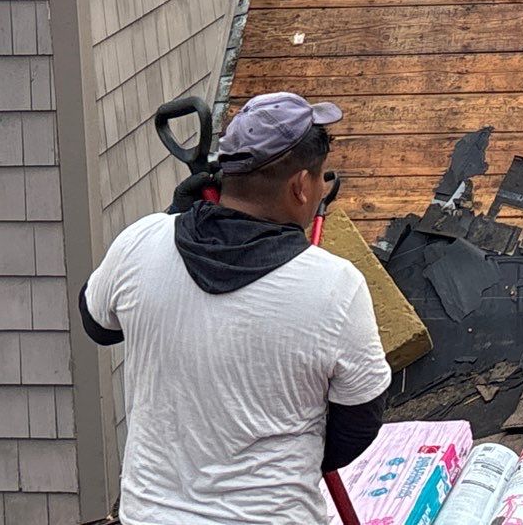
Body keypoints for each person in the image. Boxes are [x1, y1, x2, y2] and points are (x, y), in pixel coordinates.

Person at [79, 92, 390, 525]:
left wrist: (175, 217)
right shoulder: (335, 287)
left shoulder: (141, 242)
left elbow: (98, 324)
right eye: (319, 180)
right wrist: (283, 459)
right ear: (300, 187)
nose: (323, 189)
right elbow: (359, 423)